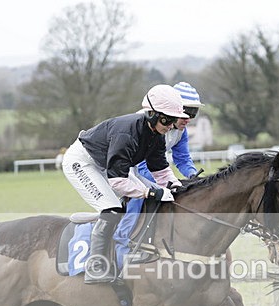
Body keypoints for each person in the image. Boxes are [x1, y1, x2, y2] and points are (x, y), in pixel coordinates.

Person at [61, 84, 189, 283]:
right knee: (112, 209)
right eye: (167, 119)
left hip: (107, 165)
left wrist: (176, 185)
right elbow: (118, 182)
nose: (171, 125)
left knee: (149, 198)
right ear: (152, 114)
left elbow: (161, 170)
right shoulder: (127, 133)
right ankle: (96, 265)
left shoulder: (157, 135)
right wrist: (150, 192)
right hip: (82, 162)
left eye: (174, 120)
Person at [134, 81, 204, 182]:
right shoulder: (146, 125)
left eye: (193, 114)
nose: (188, 120)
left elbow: (182, 159)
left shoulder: (181, 131)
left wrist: (192, 175)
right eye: (186, 113)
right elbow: (141, 167)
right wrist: (168, 183)